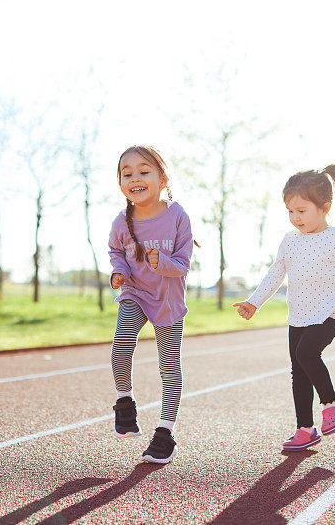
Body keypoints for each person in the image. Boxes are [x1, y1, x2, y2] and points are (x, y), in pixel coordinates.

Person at [233, 164, 335, 451]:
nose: (295, 218)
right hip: (297, 315)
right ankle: (305, 429)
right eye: (290, 212)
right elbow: (275, 274)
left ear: (325, 207)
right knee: (298, 371)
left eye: (302, 210)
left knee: (306, 353)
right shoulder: (289, 241)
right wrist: (253, 302)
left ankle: (332, 403)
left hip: (327, 314)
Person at [108, 145, 194, 464]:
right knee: (121, 343)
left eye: (144, 171)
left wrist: (164, 263)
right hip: (135, 292)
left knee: (169, 367)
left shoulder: (177, 216)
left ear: (162, 178)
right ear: (120, 183)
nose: (135, 178)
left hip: (168, 300)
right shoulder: (121, 221)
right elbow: (116, 252)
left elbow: (183, 264)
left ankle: (164, 433)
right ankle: (124, 401)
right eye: (127, 173)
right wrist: (119, 272)